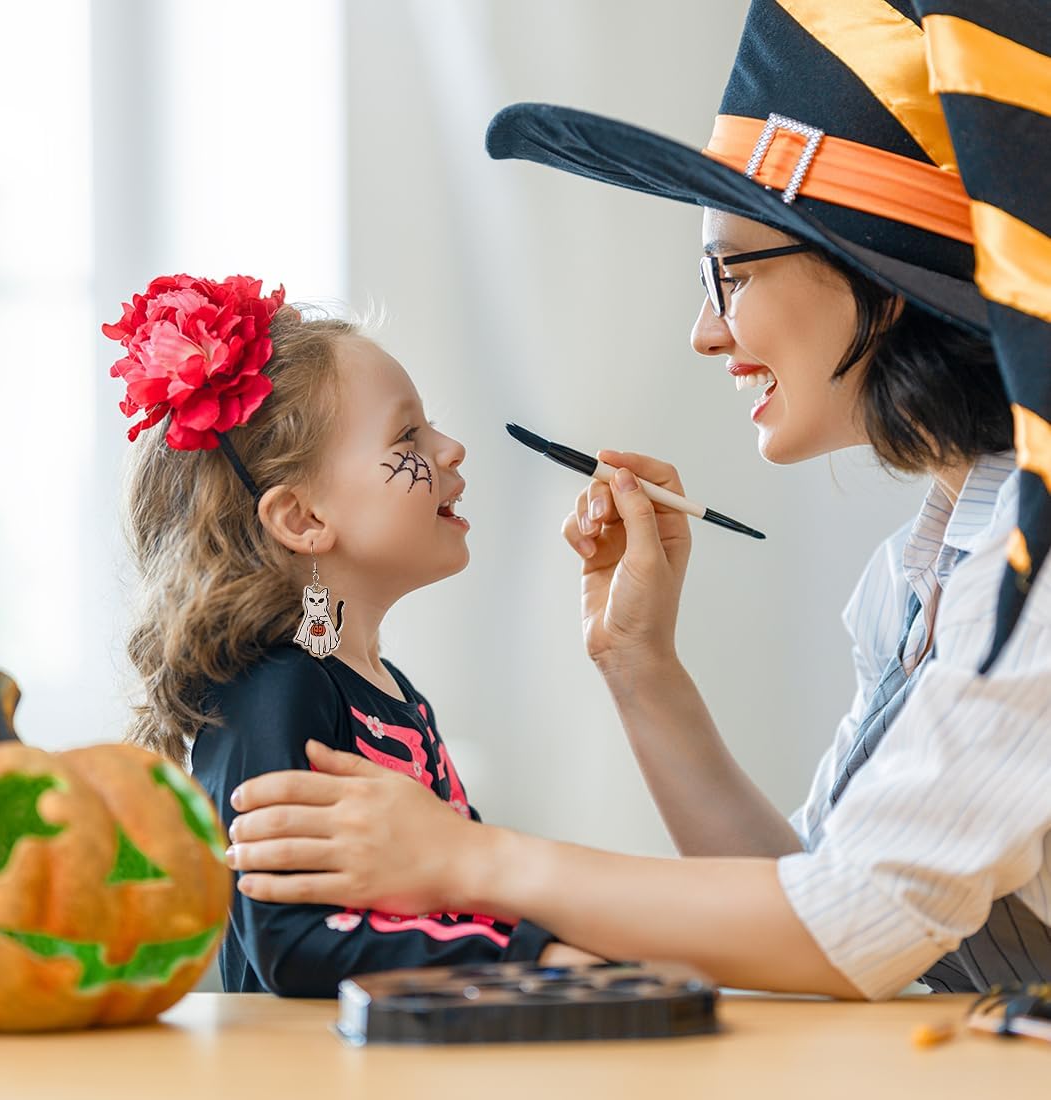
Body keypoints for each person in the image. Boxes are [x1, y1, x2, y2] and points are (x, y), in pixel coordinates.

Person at [223, 1, 1051, 1000]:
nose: (705, 332)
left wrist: (469, 859)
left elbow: (851, 927)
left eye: (726, 273)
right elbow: (805, 900)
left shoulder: (1028, 576)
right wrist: (639, 664)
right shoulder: (917, 573)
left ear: (875, 274)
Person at [106, 274, 594, 996]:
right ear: (302, 519)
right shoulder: (277, 690)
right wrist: (532, 960)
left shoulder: (393, 692)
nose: (452, 449)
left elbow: (472, 886)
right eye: (409, 436)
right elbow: (291, 943)